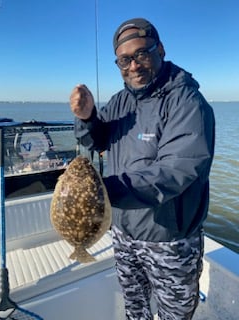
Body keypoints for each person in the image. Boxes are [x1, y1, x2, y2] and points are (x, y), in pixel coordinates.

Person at [70, 18, 215, 320]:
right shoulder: (120, 101)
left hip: (169, 239)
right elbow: (96, 139)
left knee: (173, 315)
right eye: (124, 60)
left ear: (160, 49)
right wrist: (86, 117)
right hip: (123, 233)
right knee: (135, 308)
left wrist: (100, 192)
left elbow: (176, 171)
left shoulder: (188, 103)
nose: (134, 66)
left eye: (142, 54)